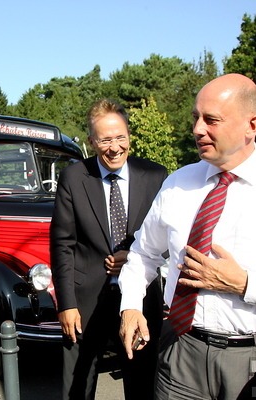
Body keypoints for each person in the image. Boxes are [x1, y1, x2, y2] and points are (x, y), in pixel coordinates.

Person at [119, 73, 256, 400]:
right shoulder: (178, 183)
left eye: (211, 120)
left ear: (252, 125)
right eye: (195, 118)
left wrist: (245, 284)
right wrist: (130, 305)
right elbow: (142, 256)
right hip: (180, 352)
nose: (197, 129)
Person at [51, 99, 168, 399]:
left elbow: (170, 239)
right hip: (84, 303)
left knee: (142, 386)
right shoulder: (74, 178)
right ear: (91, 141)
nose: (114, 147)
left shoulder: (155, 176)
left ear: (129, 135)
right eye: (105, 139)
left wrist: (134, 257)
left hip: (139, 301)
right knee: (76, 389)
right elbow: (62, 243)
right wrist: (66, 303)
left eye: (120, 137)